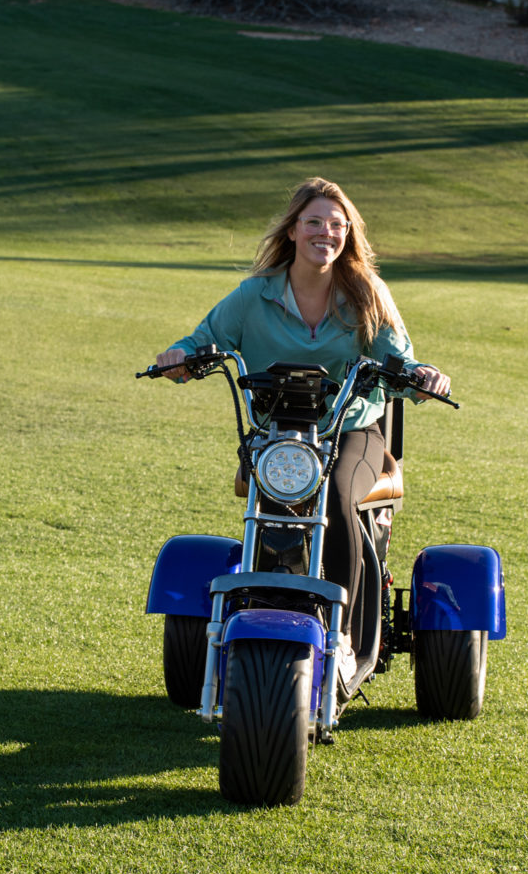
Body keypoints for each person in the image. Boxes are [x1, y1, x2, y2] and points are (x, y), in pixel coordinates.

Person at [155, 177, 450, 648]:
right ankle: (263, 616)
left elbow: (401, 360)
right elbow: (201, 342)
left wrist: (423, 377)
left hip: (350, 432)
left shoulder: (367, 293)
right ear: (292, 230)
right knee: (271, 504)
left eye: (337, 224)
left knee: (335, 493)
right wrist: (179, 358)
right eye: (314, 221)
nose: (325, 232)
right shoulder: (254, 296)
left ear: (348, 234)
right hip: (278, 435)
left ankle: (348, 635)